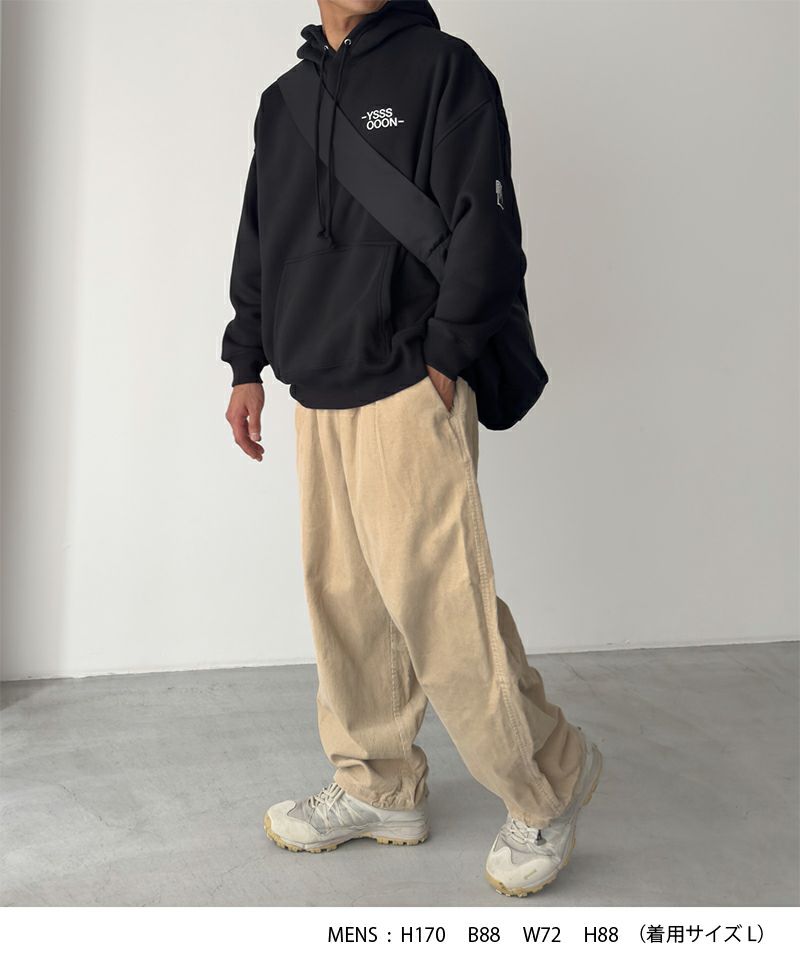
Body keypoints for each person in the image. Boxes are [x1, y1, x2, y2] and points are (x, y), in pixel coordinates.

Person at [221, 0, 602, 897]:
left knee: (441, 604)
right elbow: (260, 242)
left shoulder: (444, 69)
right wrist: (246, 362)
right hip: (316, 388)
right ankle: (379, 785)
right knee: (345, 601)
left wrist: (445, 355)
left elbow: (485, 227)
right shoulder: (283, 102)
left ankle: (548, 783)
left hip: (406, 381)